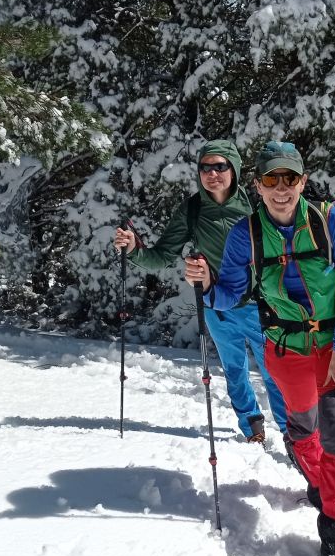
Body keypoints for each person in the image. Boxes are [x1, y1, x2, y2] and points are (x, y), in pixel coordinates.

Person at [184, 141, 335, 556]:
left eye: (290, 179)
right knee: (302, 431)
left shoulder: (330, 220)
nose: (281, 188)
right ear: (258, 185)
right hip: (286, 347)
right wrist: (207, 284)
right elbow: (231, 294)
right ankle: (322, 484)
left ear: (303, 182)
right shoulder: (245, 234)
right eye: (272, 179)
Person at [114, 140, 287, 444]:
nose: (212, 173)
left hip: (260, 306)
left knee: (276, 373)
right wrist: (134, 250)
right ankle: (252, 428)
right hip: (217, 306)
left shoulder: (256, 205)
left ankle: (292, 434)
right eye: (205, 167)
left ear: (234, 169)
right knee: (235, 372)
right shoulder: (192, 210)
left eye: (220, 166)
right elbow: (163, 256)